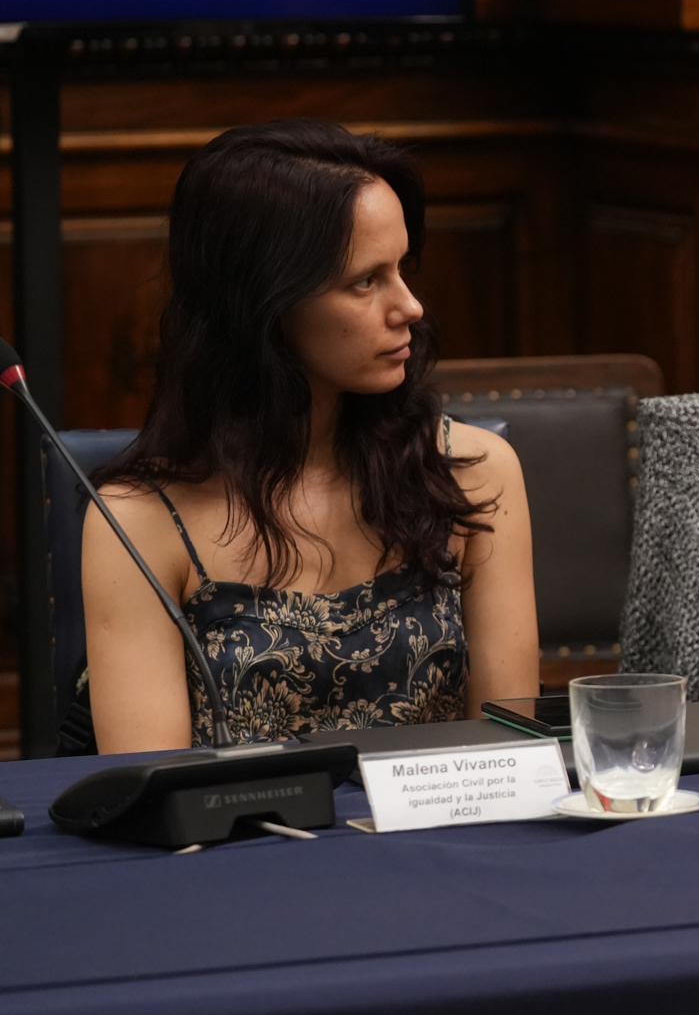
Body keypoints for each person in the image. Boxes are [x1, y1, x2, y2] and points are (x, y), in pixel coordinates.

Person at [79, 120, 539, 752]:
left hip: (443, 844)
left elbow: (508, 754)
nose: (410, 307)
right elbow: (158, 794)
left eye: (402, 269)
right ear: (264, 308)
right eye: (365, 281)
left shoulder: (473, 471)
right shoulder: (138, 520)